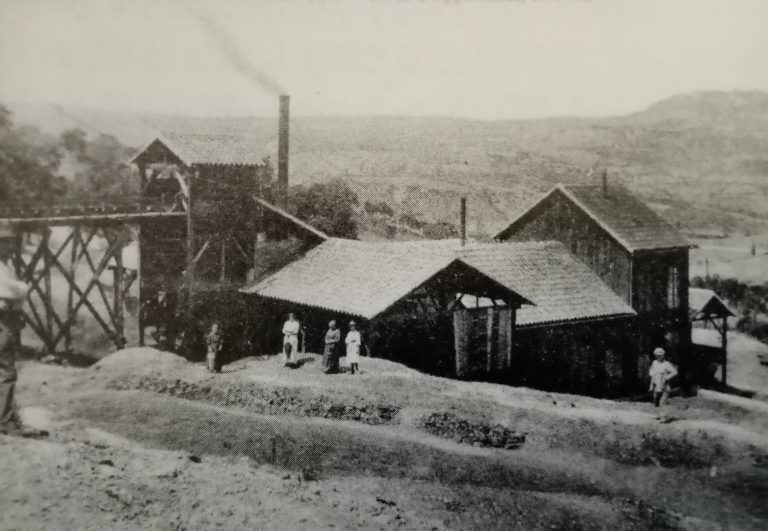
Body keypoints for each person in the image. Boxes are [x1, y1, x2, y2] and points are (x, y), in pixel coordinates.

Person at [0, 265, 47, 438]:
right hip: (3, 321)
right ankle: (5, 422)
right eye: (5, 242)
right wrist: (21, 289)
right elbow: (15, 290)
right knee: (6, 372)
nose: (9, 246)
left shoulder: (5, 266)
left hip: (6, 319)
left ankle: (7, 419)